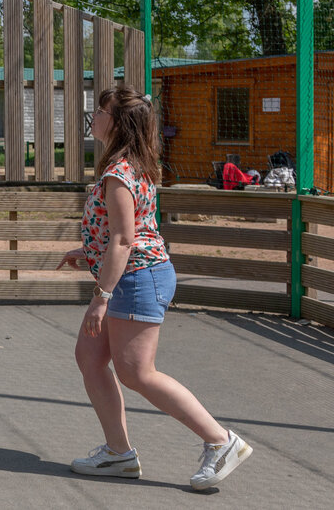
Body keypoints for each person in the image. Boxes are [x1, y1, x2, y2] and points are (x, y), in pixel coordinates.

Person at [57, 86, 251, 490]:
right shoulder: (132, 165)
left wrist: (100, 297)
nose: (93, 116)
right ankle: (118, 454)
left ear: (117, 122)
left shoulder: (118, 173)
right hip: (131, 272)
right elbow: (128, 230)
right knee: (90, 357)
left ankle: (221, 441)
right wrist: (89, 249)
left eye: (100, 111)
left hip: (136, 278)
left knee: (137, 371)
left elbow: (125, 241)